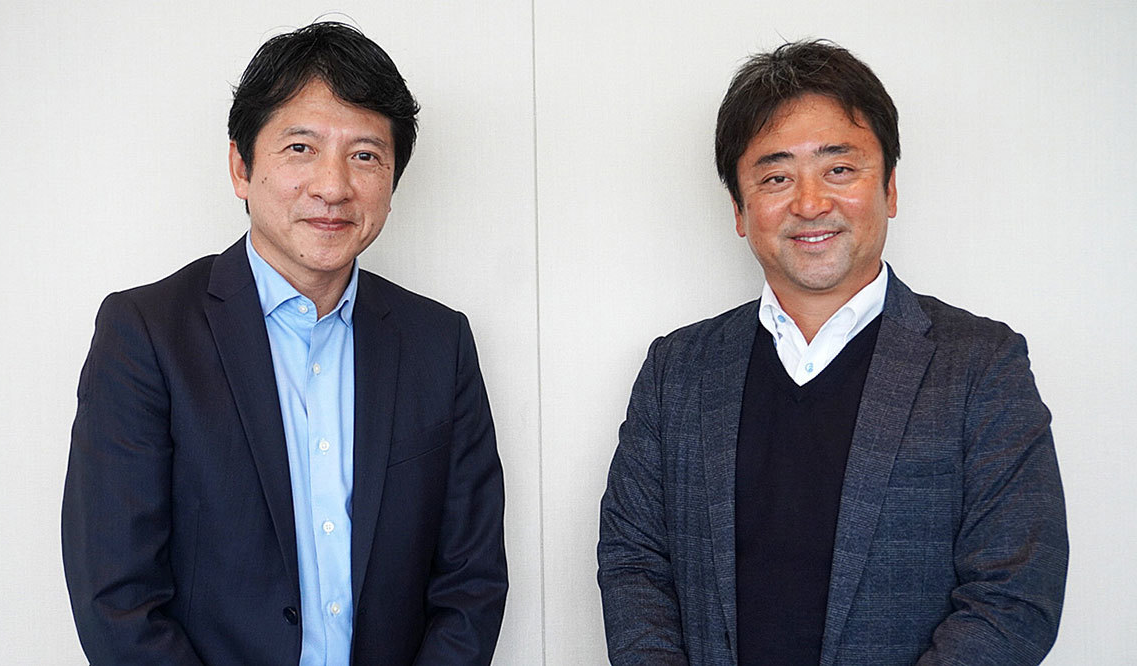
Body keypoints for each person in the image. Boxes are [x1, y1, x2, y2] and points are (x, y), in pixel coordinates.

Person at [598, 40, 1067, 665]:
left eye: (839, 169)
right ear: (739, 210)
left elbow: (1014, 595)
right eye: (776, 177)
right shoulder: (677, 370)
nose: (810, 203)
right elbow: (633, 563)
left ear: (890, 188)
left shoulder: (981, 366)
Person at [62, 22, 506, 665]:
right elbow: (116, 598)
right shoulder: (148, 334)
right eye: (301, 148)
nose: (333, 186)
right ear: (241, 168)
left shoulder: (439, 344)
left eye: (365, 155)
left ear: (392, 180)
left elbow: (471, 584)